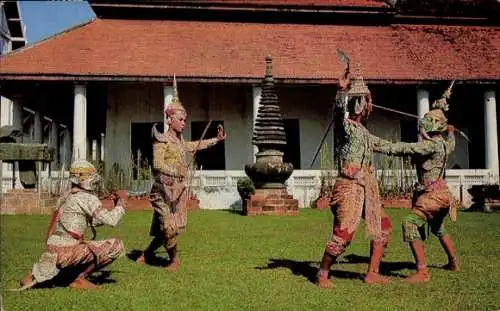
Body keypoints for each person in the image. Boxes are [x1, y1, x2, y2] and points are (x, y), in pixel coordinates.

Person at [136, 75, 226, 271]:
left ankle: (147, 254)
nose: (184, 123)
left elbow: (194, 145)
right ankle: (174, 260)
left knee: (168, 228)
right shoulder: (162, 140)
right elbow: (158, 164)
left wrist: (215, 140)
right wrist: (178, 170)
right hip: (162, 190)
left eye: (185, 120)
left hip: (178, 190)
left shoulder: (179, 142)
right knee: (169, 225)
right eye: (181, 119)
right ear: (170, 120)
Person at [316, 66, 394, 288]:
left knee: (383, 227)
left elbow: (390, 146)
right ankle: (322, 274)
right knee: (343, 235)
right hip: (349, 187)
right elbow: (338, 114)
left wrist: (422, 145)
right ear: (359, 104)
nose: (369, 107)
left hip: (367, 187)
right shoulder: (347, 128)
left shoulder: (365, 134)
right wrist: (341, 92)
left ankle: (372, 273)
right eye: (366, 101)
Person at [374, 83, 460, 283]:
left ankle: (422, 272)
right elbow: (452, 144)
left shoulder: (430, 146)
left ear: (434, 124)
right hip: (443, 195)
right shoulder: (444, 144)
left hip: (432, 196)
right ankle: (454, 261)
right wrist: (451, 132)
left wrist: (380, 147)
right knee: (438, 228)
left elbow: (406, 149)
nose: (424, 123)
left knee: (409, 223)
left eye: (428, 120)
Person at [18, 160, 126, 290]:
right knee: (116, 246)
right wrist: (121, 203)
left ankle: (42, 275)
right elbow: (112, 220)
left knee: (86, 246)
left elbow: (92, 221)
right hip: (66, 252)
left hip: (52, 249)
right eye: (91, 176)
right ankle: (79, 279)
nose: (94, 180)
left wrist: (113, 206)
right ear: (81, 178)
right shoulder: (86, 198)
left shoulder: (66, 195)